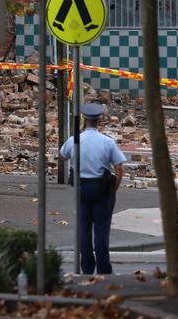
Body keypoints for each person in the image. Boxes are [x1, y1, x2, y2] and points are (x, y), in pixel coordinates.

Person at [59, 103, 126, 274]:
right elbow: (119, 166)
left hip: (81, 188)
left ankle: (87, 268)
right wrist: (114, 189)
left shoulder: (75, 140)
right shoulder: (107, 142)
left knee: (83, 229)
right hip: (101, 189)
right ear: (99, 120)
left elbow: (62, 155)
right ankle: (104, 269)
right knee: (101, 230)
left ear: (83, 120)